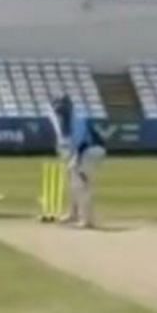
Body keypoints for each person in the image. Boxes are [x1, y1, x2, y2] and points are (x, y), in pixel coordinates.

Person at [46, 95, 106, 228]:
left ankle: (87, 220)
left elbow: (81, 143)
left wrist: (75, 161)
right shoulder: (64, 120)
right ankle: (73, 214)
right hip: (85, 151)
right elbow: (68, 144)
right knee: (73, 182)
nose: (59, 113)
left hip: (92, 150)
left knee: (80, 184)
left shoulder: (77, 121)